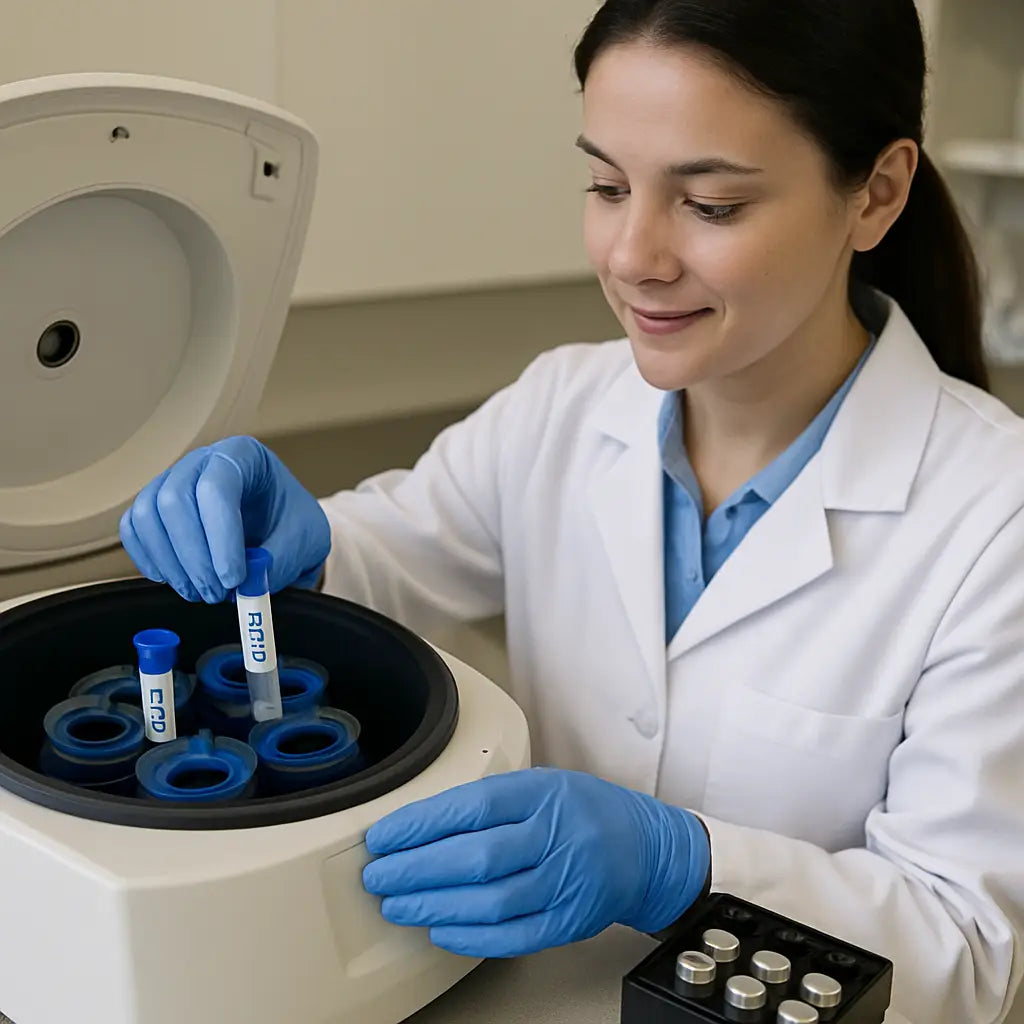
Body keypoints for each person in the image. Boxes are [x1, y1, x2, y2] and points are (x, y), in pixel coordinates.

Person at [119, 1, 1024, 1020]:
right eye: (605, 185)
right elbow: (397, 550)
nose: (633, 254)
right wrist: (304, 544)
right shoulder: (563, 405)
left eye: (711, 205)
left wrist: (681, 866)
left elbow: (965, 956)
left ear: (876, 193)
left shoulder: (994, 517)